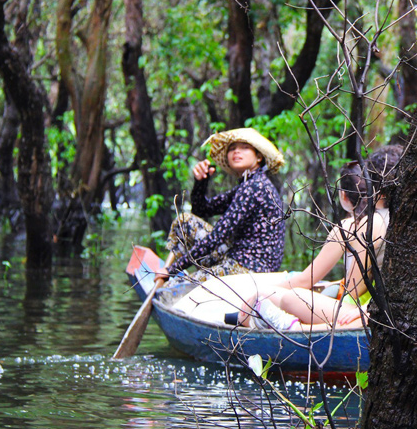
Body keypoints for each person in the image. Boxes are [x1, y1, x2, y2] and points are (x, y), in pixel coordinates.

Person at [237, 145, 403, 331]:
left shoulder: (371, 222)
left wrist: (364, 307)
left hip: (375, 312)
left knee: (289, 297)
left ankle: (294, 328)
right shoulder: (402, 219)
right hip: (382, 308)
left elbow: (354, 289)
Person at [158, 127, 286, 284]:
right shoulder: (248, 184)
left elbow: (218, 236)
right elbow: (201, 210)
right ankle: (166, 272)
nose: (236, 152)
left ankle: (166, 276)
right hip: (237, 259)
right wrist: (201, 182)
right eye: (232, 148)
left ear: (259, 157)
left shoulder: (255, 186)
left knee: (175, 285)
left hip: (250, 271)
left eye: (244, 147)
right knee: (185, 222)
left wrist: (173, 270)